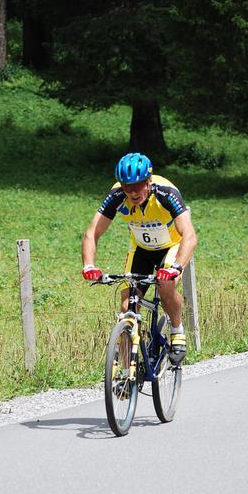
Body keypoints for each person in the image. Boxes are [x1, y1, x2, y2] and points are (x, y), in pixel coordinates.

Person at [82, 152, 197, 364]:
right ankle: (126, 371)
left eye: (137, 185)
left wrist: (176, 267)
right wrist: (89, 265)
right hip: (141, 250)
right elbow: (92, 233)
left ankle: (177, 330)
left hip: (171, 247)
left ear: (148, 181)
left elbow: (189, 235)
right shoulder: (117, 195)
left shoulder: (166, 193)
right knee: (127, 307)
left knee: (165, 286)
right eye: (127, 187)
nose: (132, 192)